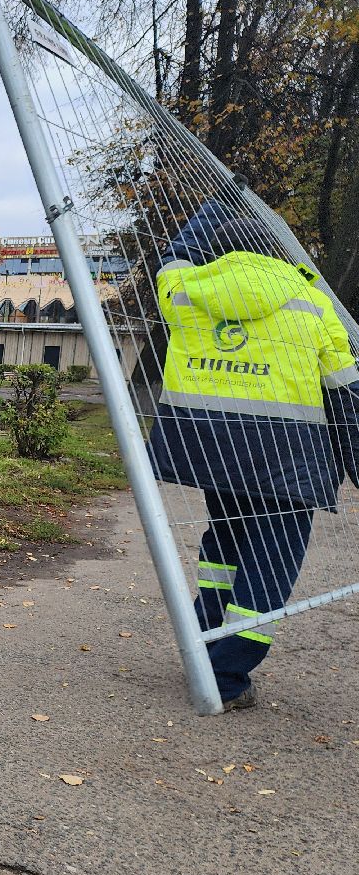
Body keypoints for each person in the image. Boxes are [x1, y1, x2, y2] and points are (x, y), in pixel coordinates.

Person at [148, 206, 359, 711]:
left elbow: (172, 257)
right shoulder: (312, 302)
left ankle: (202, 643)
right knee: (271, 565)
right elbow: (347, 396)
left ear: (217, 254)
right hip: (289, 463)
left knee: (223, 548)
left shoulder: (186, 292)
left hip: (214, 456)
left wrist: (213, 205)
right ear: (280, 253)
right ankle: (225, 676)